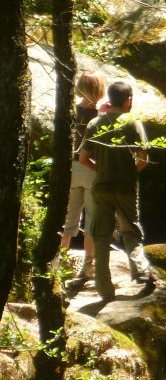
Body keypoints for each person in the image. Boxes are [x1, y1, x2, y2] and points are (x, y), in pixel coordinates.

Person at [78, 79, 152, 302]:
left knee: (100, 235)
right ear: (128, 100)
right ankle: (140, 271)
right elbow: (143, 159)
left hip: (101, 187)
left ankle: (104, 289)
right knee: (131, 230)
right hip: (125, 188)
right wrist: (130, 171)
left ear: (110, 99)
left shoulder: (95, 124)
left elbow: (83, 159)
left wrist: (100, 169)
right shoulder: (132, 123)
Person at [61, 70, 106, 278]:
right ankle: (88, 266)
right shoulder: (100, 117)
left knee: (69, 220)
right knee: (91, 222)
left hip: (71, 169)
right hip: (91, 168)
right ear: (99, 89)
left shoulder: (71, 111)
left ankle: (60, 261)